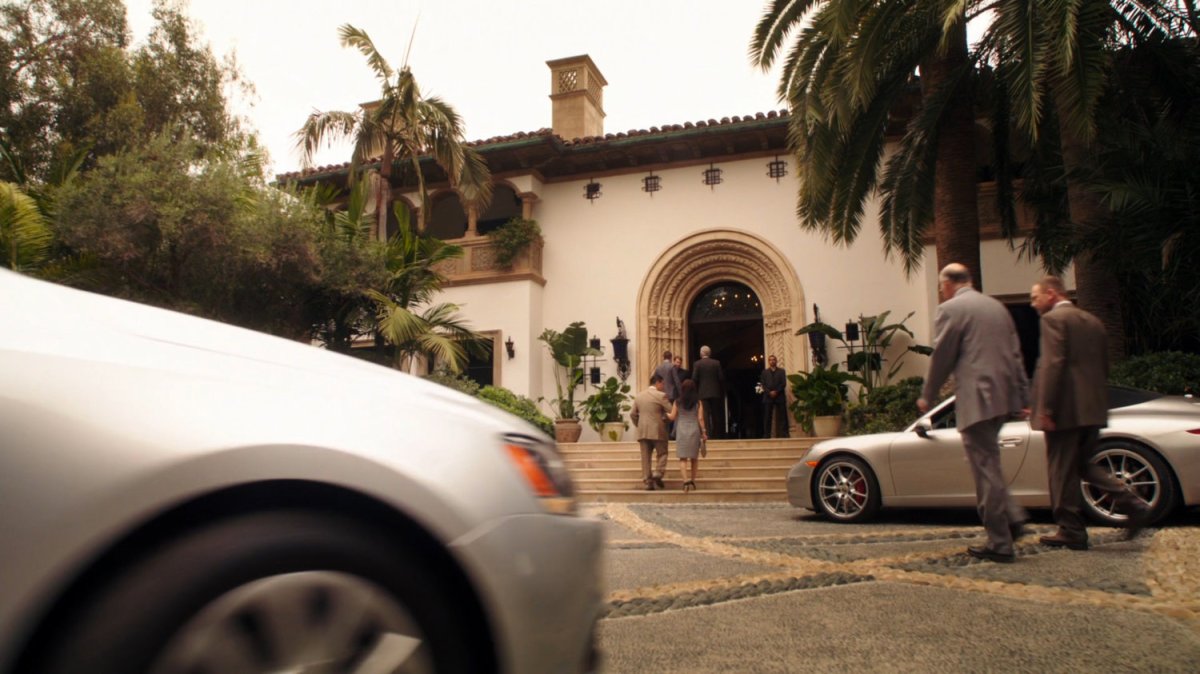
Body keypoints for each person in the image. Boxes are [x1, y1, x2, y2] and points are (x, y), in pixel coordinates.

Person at [918, 263, 1030, 564]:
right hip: (1004, 398)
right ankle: (1012, 519)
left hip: (978, 399)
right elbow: (1016, 354)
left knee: (985, 469)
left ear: (948, 284)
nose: (942, 292)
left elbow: (943, 355)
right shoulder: (997, 307)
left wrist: (928, 395)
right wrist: (1022, 394)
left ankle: (1000, 541)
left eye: (942, 288)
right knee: (989, 462)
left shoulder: (951, 309)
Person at [1029, 275, 1149, 549]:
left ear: (1051, 294)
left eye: (1035, 298)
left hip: (1064, 410)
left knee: (1060, 470)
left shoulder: (1053, 321)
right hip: (1092, 407)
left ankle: (1070, 530)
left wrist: (1045, 406)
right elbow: (1104, 366)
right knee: (1083, 464)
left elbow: (1052, 364)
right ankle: (1132, 502)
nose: (1033, 304)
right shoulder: (1093, 321)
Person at [630, 374, 671, 490]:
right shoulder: (661, 396)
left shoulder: (639, 396)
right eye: (662, 384)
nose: (663, 386)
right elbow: (671, 411)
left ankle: (648, 482)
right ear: (657, 383)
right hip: (658, 429)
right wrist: (665, 420)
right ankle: (658, 472)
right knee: (662, 453)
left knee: (645, 457)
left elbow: (632, 414)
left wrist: (639, 424)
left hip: (643, 431)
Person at [669, 379, 706, 492]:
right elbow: (700, 419)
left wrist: (664, 414)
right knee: (694, 458)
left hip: (682, 430)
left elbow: (672, 417)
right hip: (694, 429)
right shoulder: (698, 403)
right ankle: (693, 481)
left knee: (683, 458)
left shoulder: (677, 402)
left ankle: (685, 482)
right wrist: (704, 432)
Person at [692, 345, 726, 439]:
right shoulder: (716, 363)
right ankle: (717, 435)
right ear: (709, 353)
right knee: (716, 414)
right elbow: (721, 377)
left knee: (705, 414)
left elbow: (694, 378)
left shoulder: (697, 364)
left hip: (702, 393)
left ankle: (707, 434)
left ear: (701, 353)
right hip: (715, 392)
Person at [760, 354, 789, 438]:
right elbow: (763, 384)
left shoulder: (782, 371)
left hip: (779, 396)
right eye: (770, 360)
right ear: (768, 362)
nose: (772, 361)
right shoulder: (764, 372)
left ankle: (784, 433)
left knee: (783, 416)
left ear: (776, 361)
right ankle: (766, 434)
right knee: (767, 416)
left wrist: (776, 391)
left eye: (773, 360)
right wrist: (769, 392)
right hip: (768, 397)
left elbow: (783, 383)